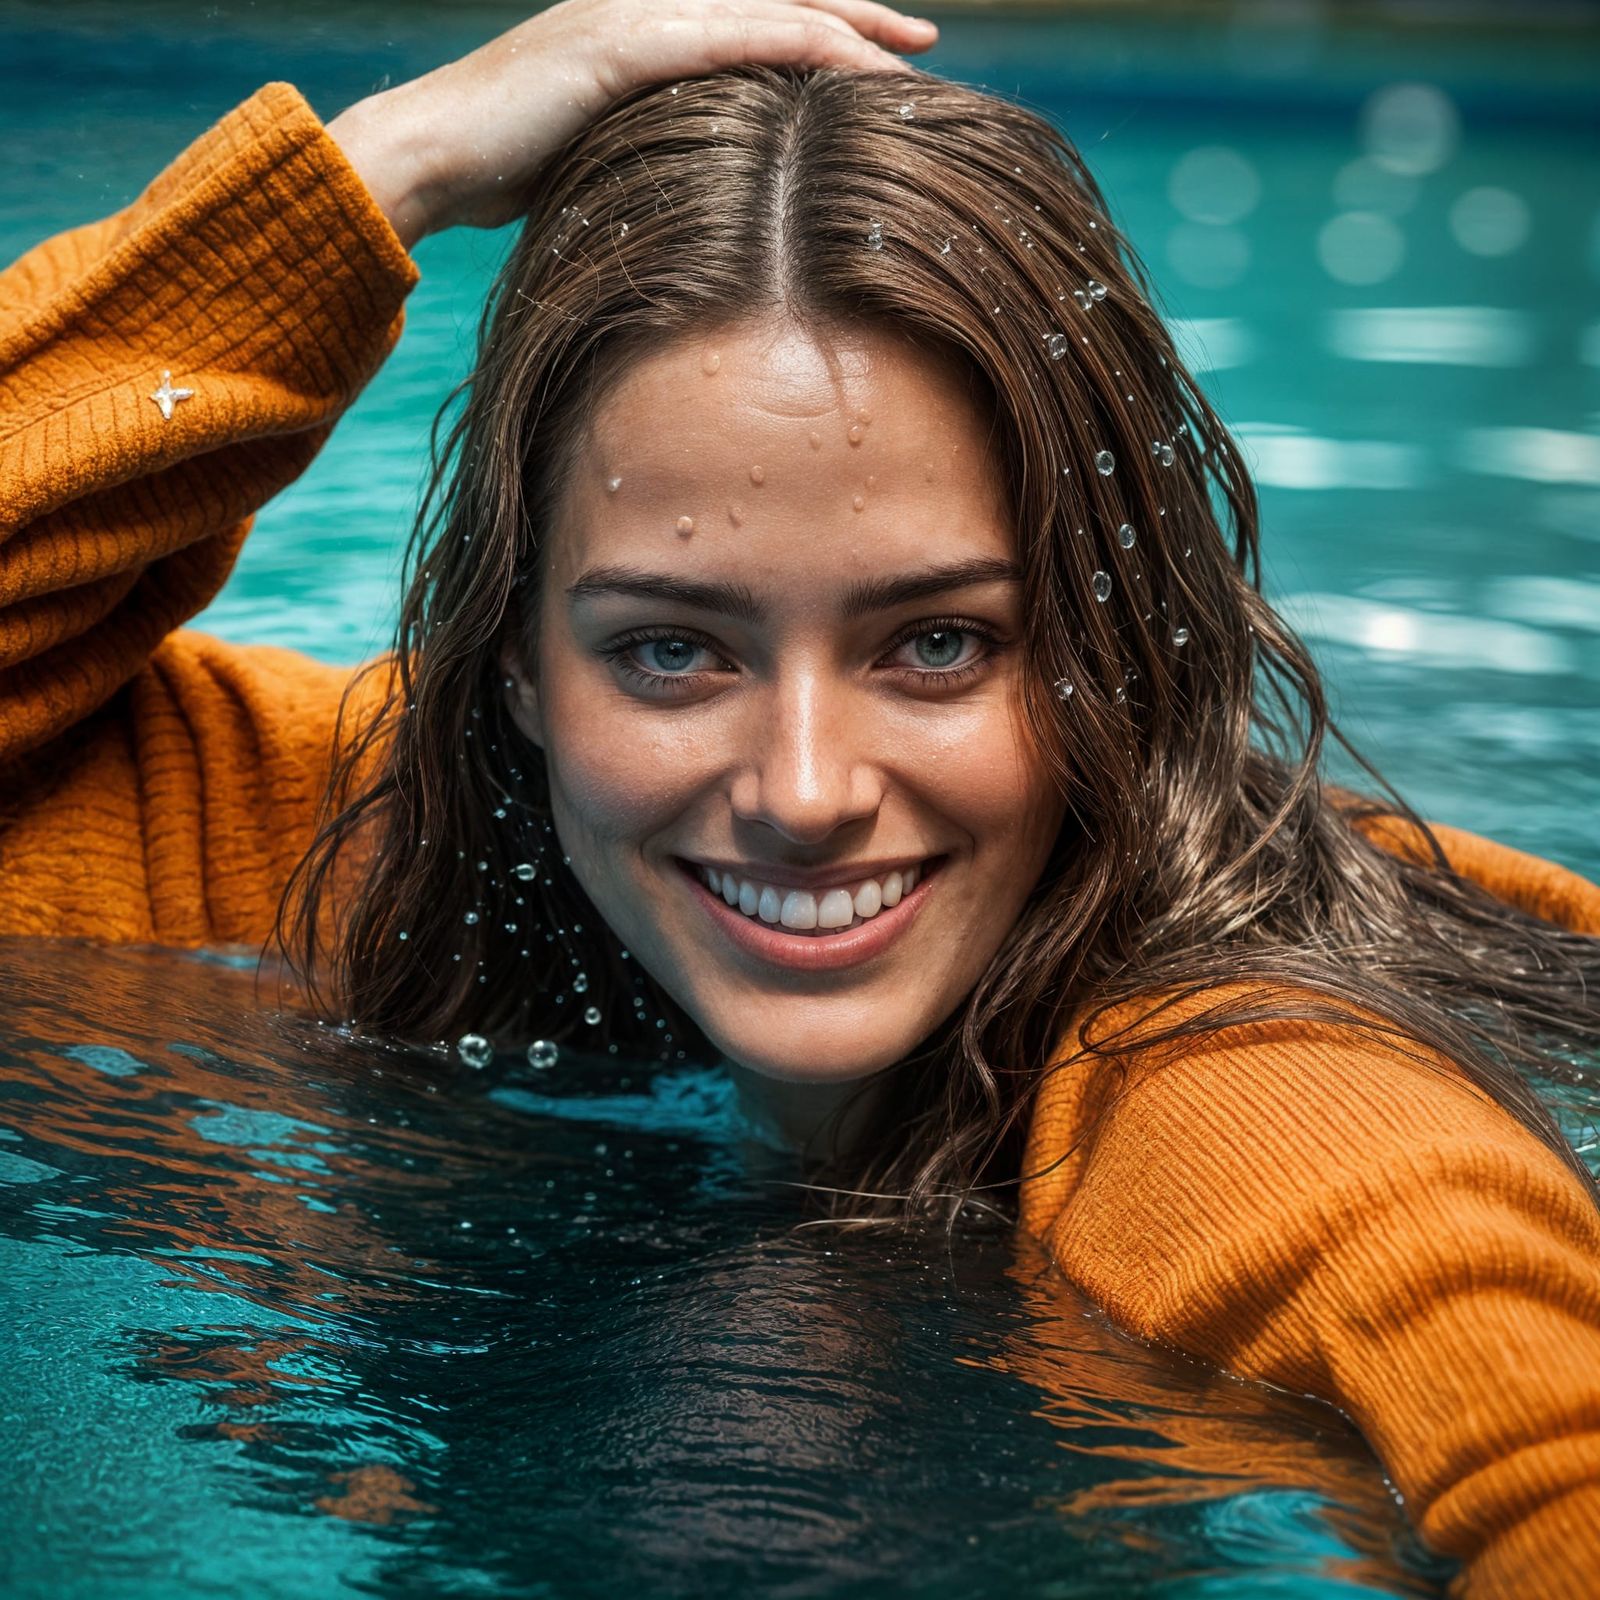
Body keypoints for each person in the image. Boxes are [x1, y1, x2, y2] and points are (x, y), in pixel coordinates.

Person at [1, 1, 1597, 1591]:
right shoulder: (365, 845)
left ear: (1097, 654)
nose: (808, 792)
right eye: (674, 652)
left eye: (937, 644)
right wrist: (385, 166)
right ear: (510, 672)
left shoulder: (1235, 1074)